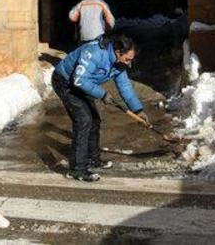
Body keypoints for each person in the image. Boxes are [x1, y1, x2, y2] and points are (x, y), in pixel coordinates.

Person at [51, 34, 148, 182]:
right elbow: (78, 79)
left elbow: (125, 86)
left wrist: (138, 110)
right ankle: (77, 169)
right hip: (66, 82)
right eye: (127, 59)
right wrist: (102, 94)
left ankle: (92, 159)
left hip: (84, 84)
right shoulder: (94, 53)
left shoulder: (119, 63)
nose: (129, 64)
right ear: (117, 52)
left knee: (94, 120)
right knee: (84, 120)